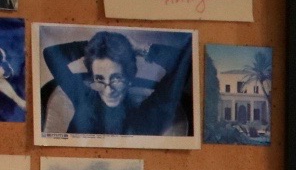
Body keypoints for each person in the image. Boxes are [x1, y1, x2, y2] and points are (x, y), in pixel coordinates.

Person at [42, 29, 193, 138]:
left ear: (130, 78)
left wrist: (142, 48)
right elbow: (51, 54)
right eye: (99, 79)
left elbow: (184, 63)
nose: (108, 90)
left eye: (116, 79)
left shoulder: (148, 116)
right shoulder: (84, 99)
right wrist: (99, 46)